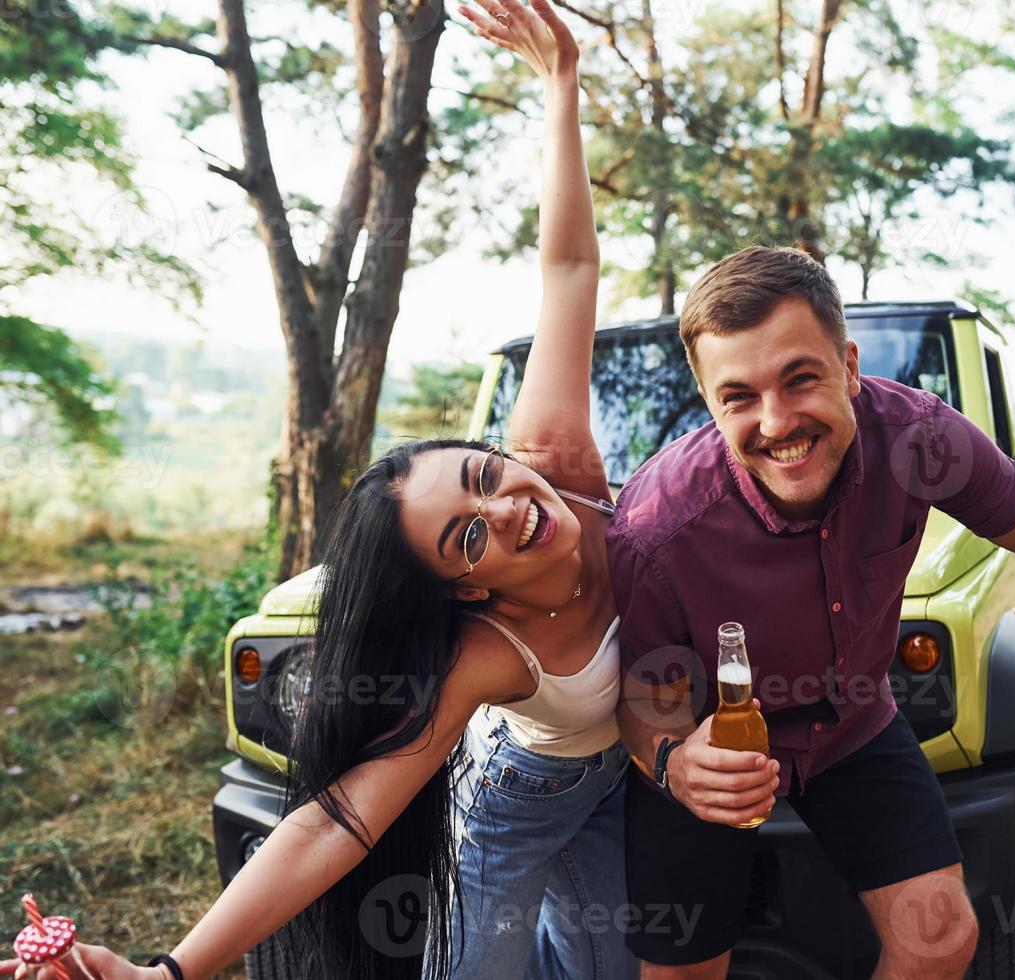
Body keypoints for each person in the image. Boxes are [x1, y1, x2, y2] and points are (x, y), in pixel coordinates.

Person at [1, 2, 637, 978]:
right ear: (466, 589)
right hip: (524, 792)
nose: (509, 508)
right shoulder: (482, 652)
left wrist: (560, 86)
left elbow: (567, 269)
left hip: (622, 770)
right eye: (470, 539)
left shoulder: (554, 458)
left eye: (482, 474)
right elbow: (335, 819)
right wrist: (168, 970)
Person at [609, 245, 1015, 978]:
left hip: (853, 727)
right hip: (712, 748)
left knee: (940, 936)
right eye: (739, 396)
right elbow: (640, 701)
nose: (777, 421)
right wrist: (672, 762)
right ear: (710, 401)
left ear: (848, 365)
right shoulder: (655, 527)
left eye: (801, 378)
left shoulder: (920, 437)